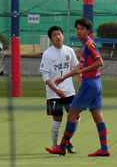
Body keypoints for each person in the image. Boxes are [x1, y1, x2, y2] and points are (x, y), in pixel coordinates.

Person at [45, 17, 110, 156]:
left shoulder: (89, 44)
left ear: (88, 31)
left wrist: (83, 71)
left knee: (72, 115)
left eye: (82, 29)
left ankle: (61, 147)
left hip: (89, 84)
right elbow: (78, 68)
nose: (79, 31)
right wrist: (64, 77)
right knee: (98, 116)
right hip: (96, 83)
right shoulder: (85, 45)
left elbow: (100, 62)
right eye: (77, 29)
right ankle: (104, 149)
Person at [40, 25, 79, 153]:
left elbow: (76, 68)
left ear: (63, 36)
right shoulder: (47, 54)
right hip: (53, 93)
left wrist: (82, 81)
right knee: (58, 119)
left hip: (69, 92)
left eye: (59, 34)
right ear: (51, 39)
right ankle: (55, 144)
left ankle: (66, 142)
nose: (57, 37)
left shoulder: (69, 51)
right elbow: (45, 77)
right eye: (54, 35)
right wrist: (56, 90)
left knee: (76, 116)